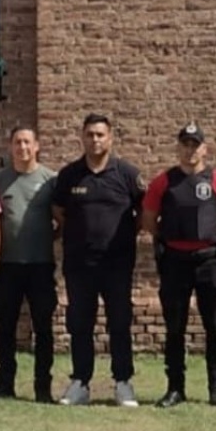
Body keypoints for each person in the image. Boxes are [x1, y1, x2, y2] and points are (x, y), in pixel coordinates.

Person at [141, 122, 216, 408]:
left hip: (209, 262)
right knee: (175, 328)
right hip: (175, 263)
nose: (189, 150)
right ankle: (175, 388)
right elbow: (149, 220)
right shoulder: (164, 182)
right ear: (178, 148)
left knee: (215, 328)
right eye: (184, 145)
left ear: (204, 149)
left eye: (194, 145)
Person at [52, 112, 144, 408]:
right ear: (82, 137)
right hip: (80, 265)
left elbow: (143, 214)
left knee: (119, 322)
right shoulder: (69, 175)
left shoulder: (127, 174)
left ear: (110, 138)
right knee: (80, 323)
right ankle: (80, 382)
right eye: (90, 134)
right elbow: (58, 211)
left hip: (117, 264)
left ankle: (123, 383)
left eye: (100, 134)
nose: (95, 140)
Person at [0, 127, 58, 403]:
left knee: (43, 327)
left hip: (40, 265)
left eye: (27, 142)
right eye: (17, 142)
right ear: (10, 146)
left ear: (37, 146)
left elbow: (62, 219)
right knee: (5, 326)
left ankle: (43, 387)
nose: (22, 147)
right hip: (8, 265)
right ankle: (5, 384)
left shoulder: (51, 180)